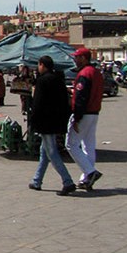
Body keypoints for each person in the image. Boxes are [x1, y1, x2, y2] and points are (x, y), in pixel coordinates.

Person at [28, 56, 76, 195]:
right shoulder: (58, 80)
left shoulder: (42, 81)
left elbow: (37, 103)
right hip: (57, 120)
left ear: (42, 65)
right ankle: (37, 180)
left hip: (45, 122)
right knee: (44, 151)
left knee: (52, 152)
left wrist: (33, 120)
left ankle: (67, 181)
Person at [66, 48, 104, 190]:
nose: (75, 60)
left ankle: (90, 172)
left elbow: (81, 98)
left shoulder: (84, 74)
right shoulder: (97, 73)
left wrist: (76, 118)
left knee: (71, 144)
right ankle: (85, 178)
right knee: (88, 145)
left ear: (84, 58)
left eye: (77, 57)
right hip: (94, 112)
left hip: (84, 113)